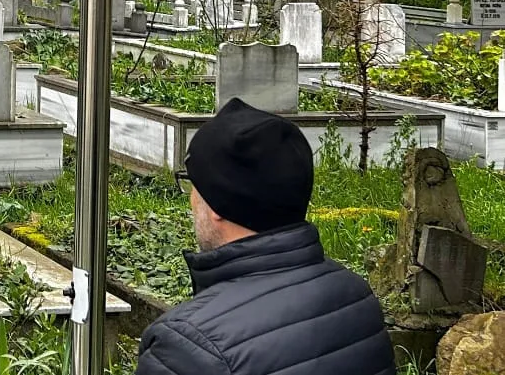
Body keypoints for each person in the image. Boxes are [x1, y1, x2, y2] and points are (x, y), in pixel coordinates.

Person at [135, 99, 395, 375]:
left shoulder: (187, 348)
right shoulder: (356, 297)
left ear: (216, 206)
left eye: (193, 184)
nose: (191, 200)